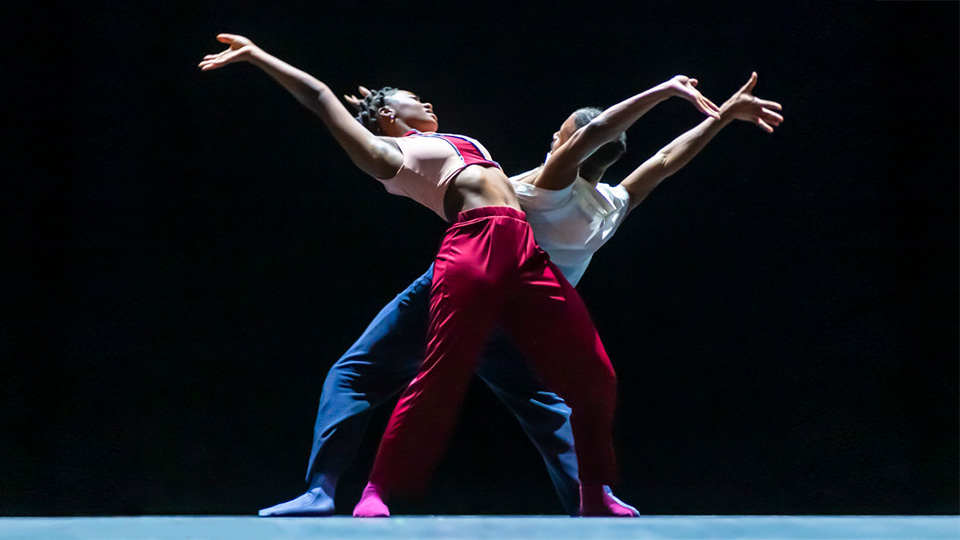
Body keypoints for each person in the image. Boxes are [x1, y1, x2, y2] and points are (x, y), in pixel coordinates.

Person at [199, 33, 726, 518]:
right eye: (411, 99)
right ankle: (329, 490)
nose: (425, 102)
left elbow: (652, 161)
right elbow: (318, 97)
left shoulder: (468, 145)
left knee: (565, 386)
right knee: (375, 372)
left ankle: (592, 495)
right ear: (386, 118)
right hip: (474, 246)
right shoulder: (389, 154)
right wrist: (258, 56)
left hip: (518, 251)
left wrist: (379, 103)